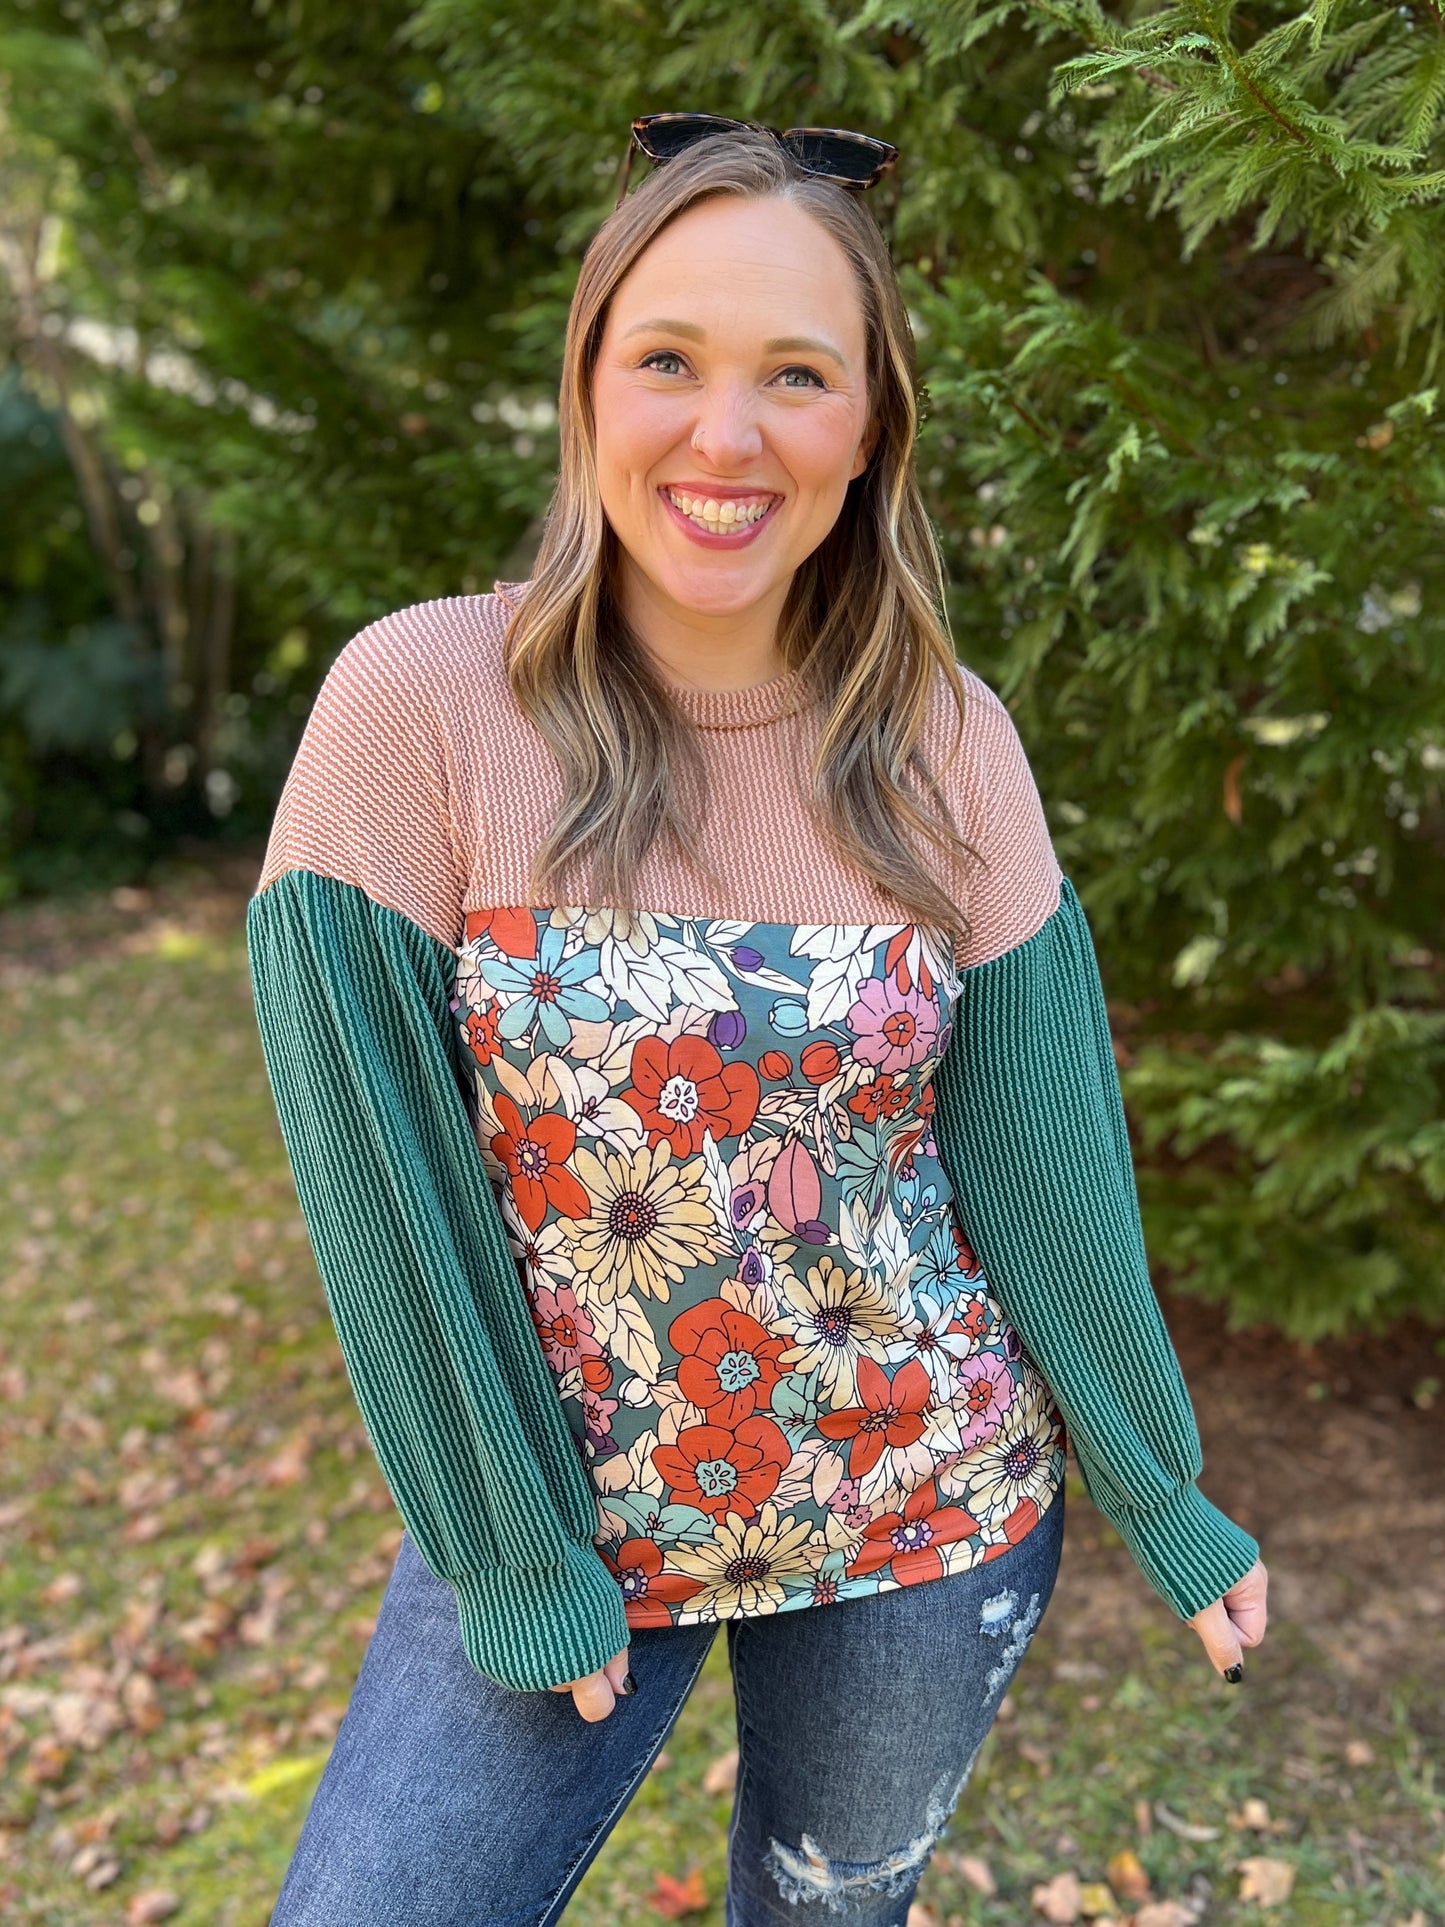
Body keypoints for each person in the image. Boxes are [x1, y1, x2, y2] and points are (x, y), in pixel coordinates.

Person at [247, 119, 1268, 1927]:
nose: (726, 437)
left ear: (866, 427)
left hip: (922, 1520)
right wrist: (517, 1560)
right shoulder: (418, 708)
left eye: (796, 375)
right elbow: (385, 1197)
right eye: (668, 361)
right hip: (559, 1530)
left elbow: (1041, 1176)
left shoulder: (950, 744)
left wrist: (1162, 1494)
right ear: (585, 386)